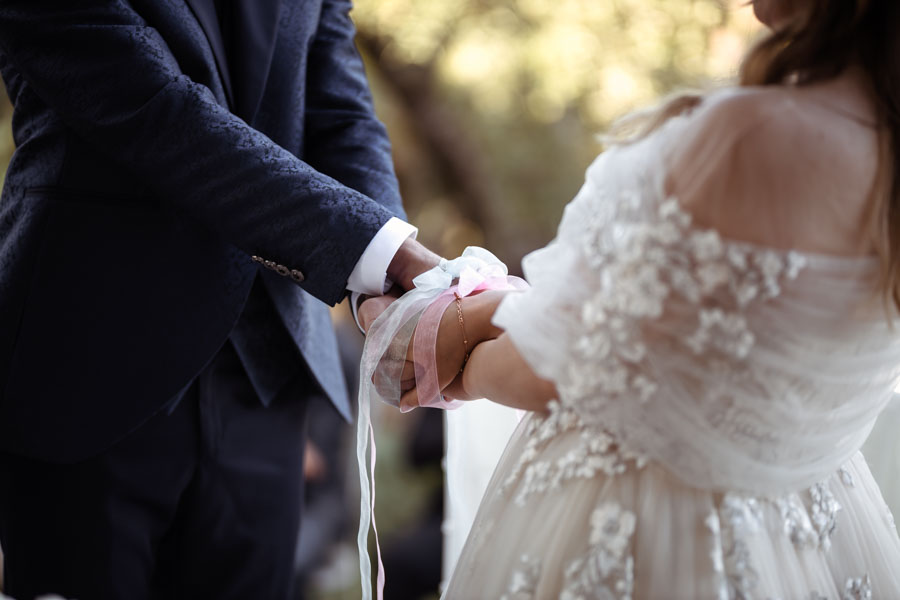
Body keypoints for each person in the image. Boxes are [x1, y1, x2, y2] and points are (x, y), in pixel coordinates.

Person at [361, 0, 900, 596]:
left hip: (640, 524)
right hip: (812, 536)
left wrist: (444, 342)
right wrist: (492, 316)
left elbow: (560, 371)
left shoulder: (747, 135)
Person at [0, 1, 439, 599]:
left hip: (269, 383)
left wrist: (380, 286)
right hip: (88, 370)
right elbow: (156, 110)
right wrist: (382, 252)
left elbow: (340, 111)